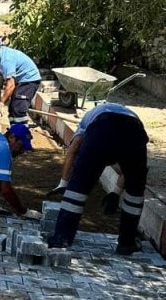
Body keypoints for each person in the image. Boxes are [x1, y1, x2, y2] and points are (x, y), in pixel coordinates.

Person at [47, 103, 149, 255]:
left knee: (78, 186)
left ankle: (61, 238)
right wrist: (116, 193)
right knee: (135, 190)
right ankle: (126, 243)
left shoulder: (89, 118)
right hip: (134, 133)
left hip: (102, 130)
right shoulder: (132, 119)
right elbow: (129, 171)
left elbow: (73, 149)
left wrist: (64, 183)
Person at [48, 102, 135, 205]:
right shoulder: (89, 123)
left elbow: (131, 166)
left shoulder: (127, 138)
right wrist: (63, 183)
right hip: (107, 118)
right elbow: (74, 148)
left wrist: (115, 193)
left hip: (125, 125)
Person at [0, 36, 42, 125]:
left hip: (29, 80)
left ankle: (21, 135)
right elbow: (4, 70)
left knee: (18, 108)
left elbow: (10, 85)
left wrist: (2, 103)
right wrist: (1, 78)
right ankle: (13, 133)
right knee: (12, 108)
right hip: (20, 79)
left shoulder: (6, 59)